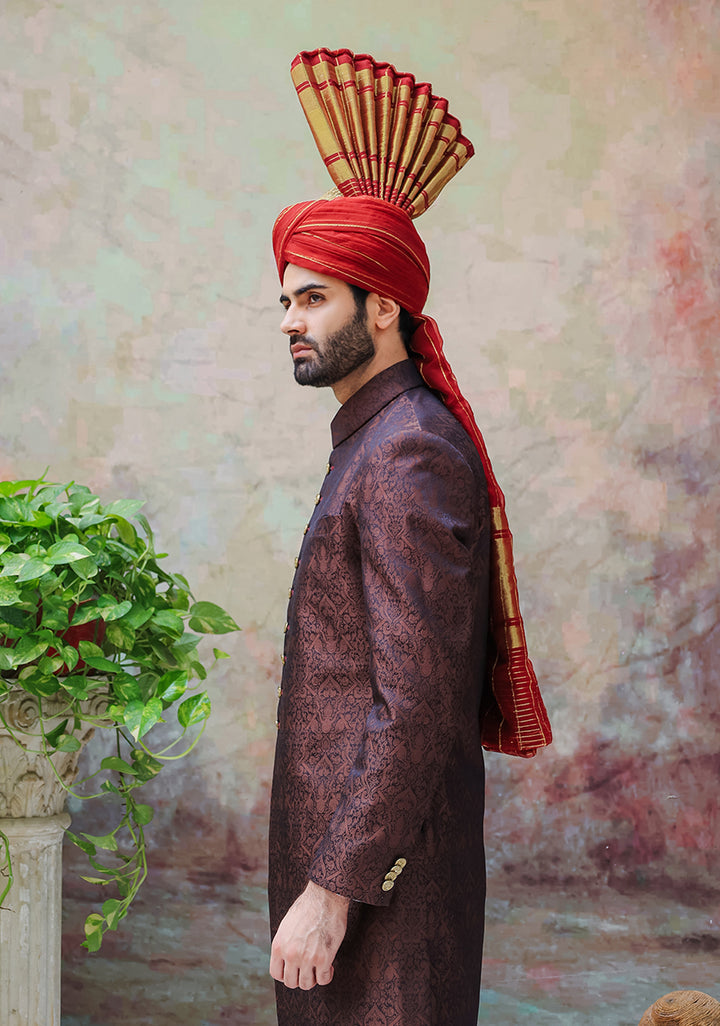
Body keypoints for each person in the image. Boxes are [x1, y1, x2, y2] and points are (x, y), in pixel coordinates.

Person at [266, 49, 551, 1026]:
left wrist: (332, 889)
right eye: (287, 300)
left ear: (382, 307)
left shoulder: (406, 454)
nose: (290, 322)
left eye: (314, 298)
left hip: (384, 899)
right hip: (352, 885)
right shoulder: (374, 440)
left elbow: (416, 705)